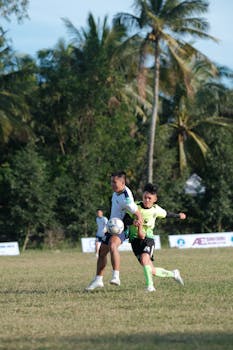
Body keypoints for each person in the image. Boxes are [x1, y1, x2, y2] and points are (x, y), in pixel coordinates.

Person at [85, 171, 142, 291]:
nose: (112, 184)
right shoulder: (116, 192)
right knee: (101, 252)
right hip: (112, 226)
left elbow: (137, 212)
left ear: (122, 183)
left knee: (112, 245)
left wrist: (138, 225)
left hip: (121, 227)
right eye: (111, 181)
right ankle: (98, 280)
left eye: (114, 182)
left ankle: (116, 276)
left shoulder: (126, 198)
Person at [126, 183, 186, 292]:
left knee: (145, 259)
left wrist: (178, 215)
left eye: (150, 198)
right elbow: (125, 219)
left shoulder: (155, 209)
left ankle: (150, 287)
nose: (147, 200)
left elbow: (166, 214)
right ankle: (174, 274)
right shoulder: (135, 206)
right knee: (151, 270)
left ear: (155, 199)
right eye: (145, 197)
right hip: (134, 241)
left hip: (147, 239)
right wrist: (132, 221)